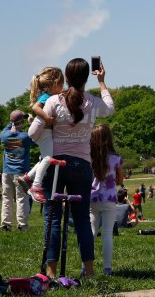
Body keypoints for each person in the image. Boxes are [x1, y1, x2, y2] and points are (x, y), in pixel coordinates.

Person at [28, 57, 114, 278]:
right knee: (83, 219)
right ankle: (90, 271)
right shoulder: (93, 102)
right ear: (87, 78)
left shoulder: (54, 101)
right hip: (81, 164)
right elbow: (110, 109)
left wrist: (49, 122)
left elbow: (32, 134)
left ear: (66, 78)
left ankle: (51, 271)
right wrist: (102, 82)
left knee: (53, 218)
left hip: (55, 164)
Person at [17, 67, 65, 200]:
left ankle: (28, 177)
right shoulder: (47, 97)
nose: (63, 87)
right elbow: (35, 107)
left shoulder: (51, 96)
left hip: (41, 131)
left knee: (44, 158)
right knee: (48, 158)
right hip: (43, 131)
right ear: (54, 85)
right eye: (62, 84)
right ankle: (36, 186)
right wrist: (47, 118)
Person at [90, 123, 124, 276]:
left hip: (92, 199)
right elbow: (119, 180)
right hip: (109, 199)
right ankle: (107, 268)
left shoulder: (89, 157)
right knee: (107, 234)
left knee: (91, 232)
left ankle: (86, 268)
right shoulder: (116, 158)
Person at [0, 110, 33, 231]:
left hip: (6, 171)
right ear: (21, 122)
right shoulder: (25, 136)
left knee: (7, 198)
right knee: (22, 198)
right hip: (20, 172)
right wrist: (30, 122)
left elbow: (9, 126)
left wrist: (13, 120)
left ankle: (5, 224)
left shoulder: (4, 135)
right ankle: (22, 224)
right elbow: (35, 133)